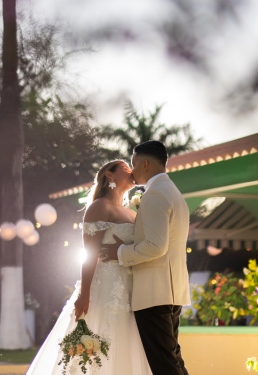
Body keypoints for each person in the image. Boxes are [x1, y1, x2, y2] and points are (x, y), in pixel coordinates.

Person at [25, 159, 153, 375]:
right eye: (124, 168)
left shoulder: (132, 212)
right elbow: (89, 254)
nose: (130, 171)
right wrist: (85, 294)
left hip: (130, 288)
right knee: (98, 346)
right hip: (103, 287)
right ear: (109, 175)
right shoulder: (98, 207)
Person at [99, 140, 191, 375]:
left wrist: (120, 253)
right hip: (171, 290)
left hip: (154, 293)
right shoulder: (173, 192)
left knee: (164, 365)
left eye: (134, 164)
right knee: (173, 360)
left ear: (145, 164)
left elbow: (155, 246)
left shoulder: (155, 195)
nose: (132, 170)